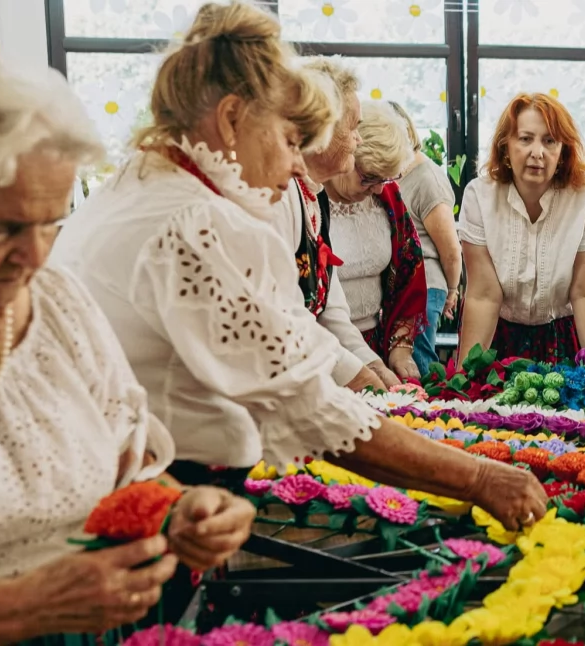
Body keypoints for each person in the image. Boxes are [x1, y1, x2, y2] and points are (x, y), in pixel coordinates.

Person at [51, 2, 545, 529]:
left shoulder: (140, 185)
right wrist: (479, 478)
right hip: (147, 503)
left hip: (128, 489)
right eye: (289, 141)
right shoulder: (199, 222)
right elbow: (311, 410)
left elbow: (297, 342)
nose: (294, 166)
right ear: (232, 119)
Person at [0, 49, 253, 643]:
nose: (34, 257)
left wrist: (179, 509)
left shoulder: (56, 303)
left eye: (52, 222)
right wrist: (17, 608)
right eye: (0, 228)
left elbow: (126, 467)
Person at [458, 92, 585, 363]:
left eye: (549, 141)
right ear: (506, 146)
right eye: (526, 139)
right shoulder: (479, 196)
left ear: (563, 151)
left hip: (565, 337)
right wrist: (465, 377)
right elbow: (483, 294)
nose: (537, 153)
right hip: (497, 339)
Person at [275, 57, 387, 393]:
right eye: (352, 127)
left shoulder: (315, 196)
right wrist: (360, 378)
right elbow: (288, 318)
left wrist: (373, 365)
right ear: (321, 126)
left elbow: (331, 308)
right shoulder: (280, 197)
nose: (358, 140)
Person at [321, 100, 428, 384]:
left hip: (376, 345)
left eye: (386, 179)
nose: (378, 189)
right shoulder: (310, 201)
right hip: (323, 349)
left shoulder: (387, 198)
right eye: (369, 177)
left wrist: (400, 348)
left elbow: (409, 271)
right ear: (342, 153)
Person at [388, 100, 462, 374]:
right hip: (406, 284)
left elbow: (451, 249)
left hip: (427, 285)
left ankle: (433, 414)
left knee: (420, 363)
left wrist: (452, 291)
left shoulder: (427, 178)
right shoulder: (397, 174)